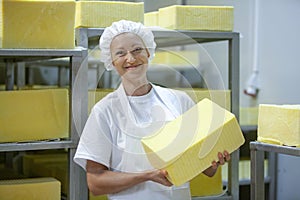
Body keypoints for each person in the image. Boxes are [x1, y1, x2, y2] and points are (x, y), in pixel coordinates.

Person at [74, 20, 230, 200]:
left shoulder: (179, 101)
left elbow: (205, 168)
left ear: (148, 52)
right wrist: (147, 176)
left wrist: (215, 161)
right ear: (112, 62)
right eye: (120, 53)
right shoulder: (104, 111)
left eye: (137, 50)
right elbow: (95, 182)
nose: (131, 59)